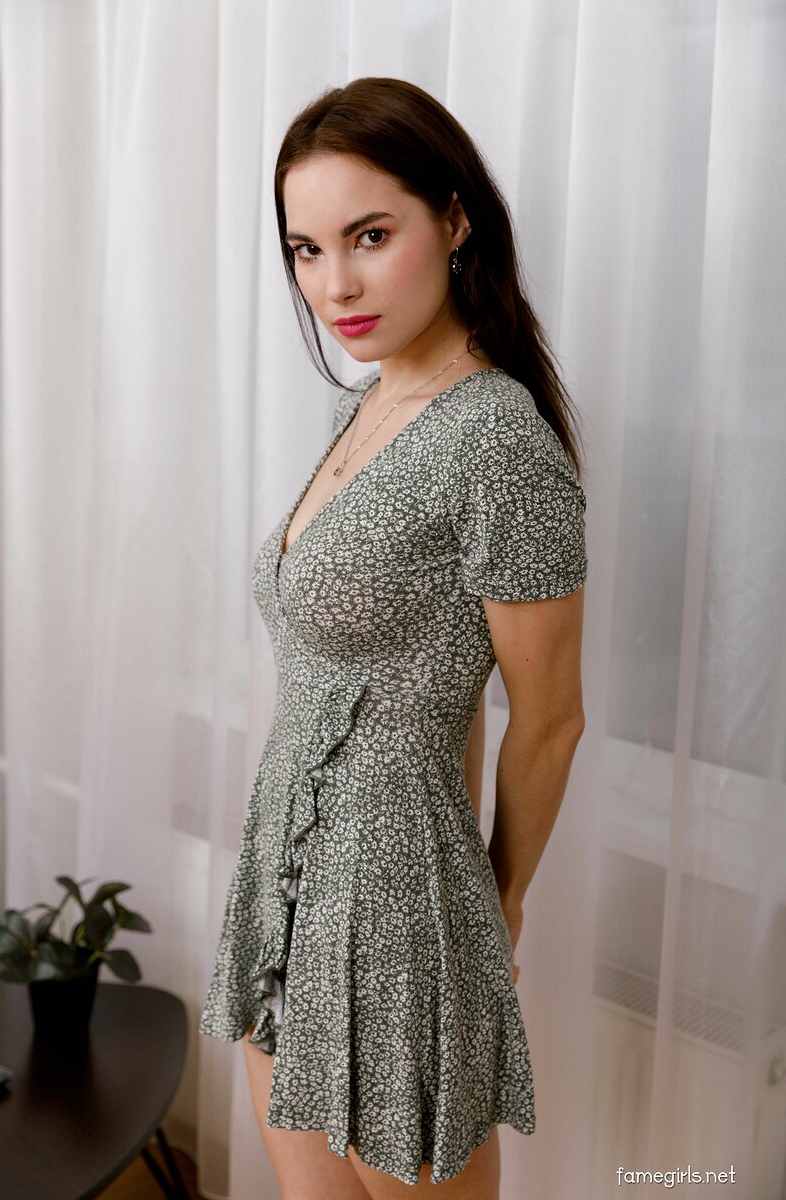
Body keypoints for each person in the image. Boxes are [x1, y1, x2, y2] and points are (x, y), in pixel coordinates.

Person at [199, 77, 587, 1200]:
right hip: (287, 871)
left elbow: (548, 721)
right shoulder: (362, 404)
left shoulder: (496, 440)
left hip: (398, 909)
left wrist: (493, 904)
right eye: (307, 249)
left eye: (370, 236)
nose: (336, 285)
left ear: (454, 220)